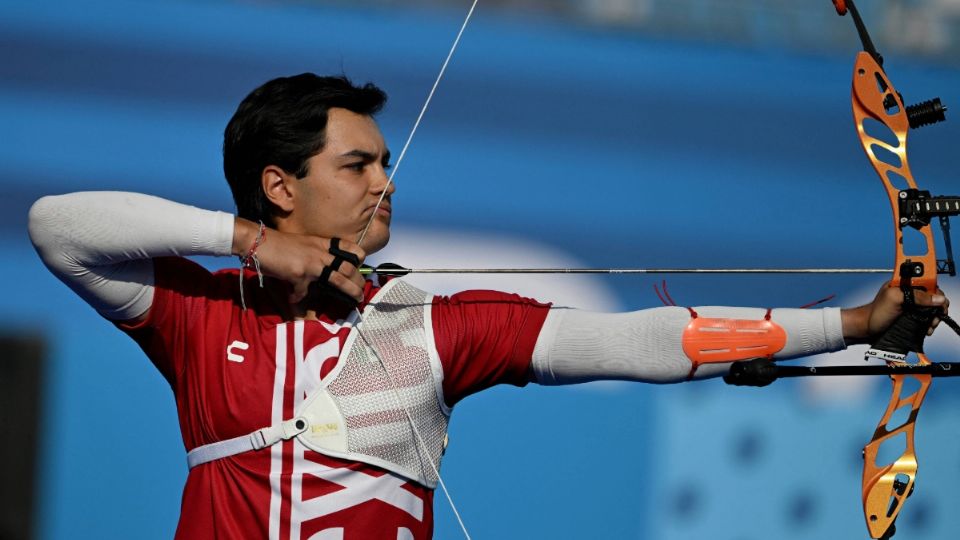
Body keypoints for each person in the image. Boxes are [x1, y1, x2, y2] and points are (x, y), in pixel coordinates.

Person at [28, 73, 947, 539]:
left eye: (386, 162)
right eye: (359, 165)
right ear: (279, 184)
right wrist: (254, 246)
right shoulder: (201, 315)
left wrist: (856, 326)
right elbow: (56, 226)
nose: (387, 182)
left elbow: (639, 342)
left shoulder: (437, 324)